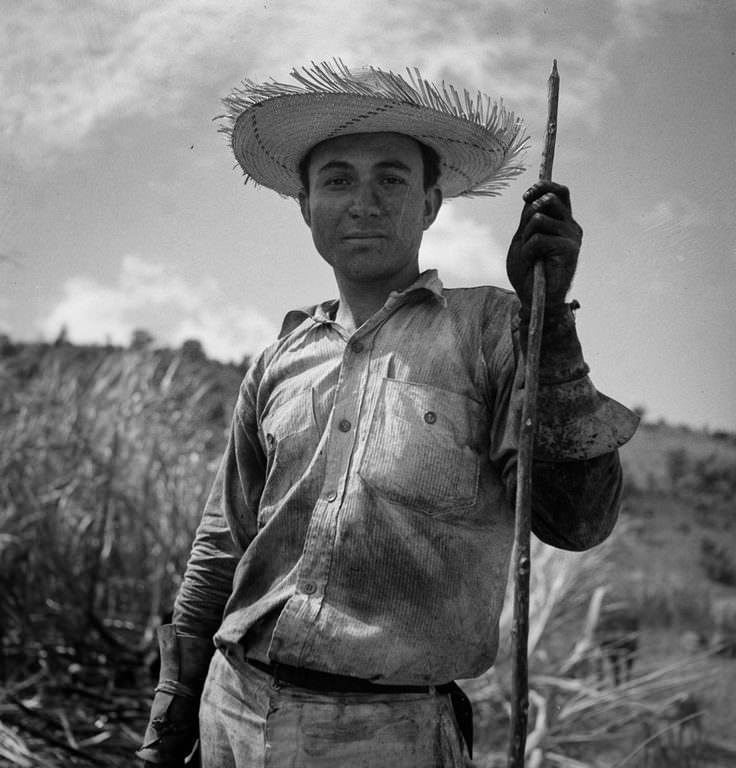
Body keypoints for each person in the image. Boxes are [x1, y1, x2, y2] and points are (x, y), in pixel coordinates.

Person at [137, 61, 638, 767]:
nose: (364, 200)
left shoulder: (491, 329)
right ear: (306, 205)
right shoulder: (278, 361)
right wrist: (167, 729)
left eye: (392, 179)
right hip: (231, 711)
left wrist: (548, 320)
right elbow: (221, 549)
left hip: (388, 734)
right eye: (337, 179)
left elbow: (578, 520)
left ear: (432, 201)